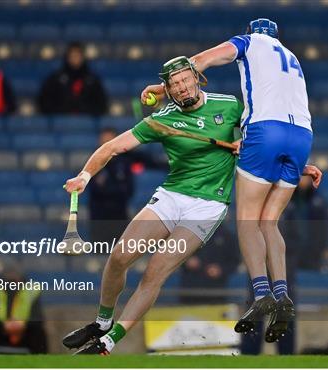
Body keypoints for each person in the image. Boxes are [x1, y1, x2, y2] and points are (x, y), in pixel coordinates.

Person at [141, 18, 321, 342]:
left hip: (265, 131)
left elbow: (198, 62)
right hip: (301, 137)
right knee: (270, 223)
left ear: (253, 33)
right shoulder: (292, 57)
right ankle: (283, 296)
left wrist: (163, 87)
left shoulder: (249, 42)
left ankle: (261, 293)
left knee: (247, 221)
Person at [61, 56, 244, 355]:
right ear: (168, 90)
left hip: (208, 205)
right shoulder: (161, 120)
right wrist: (85, 175)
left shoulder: (230, 105)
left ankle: (109, 341)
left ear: (197, 79)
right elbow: (112, 147)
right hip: (172, 195)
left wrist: (248, 145)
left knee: (155, 271)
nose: (183, 88)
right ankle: (102, 323)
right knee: (119, 256)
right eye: (175, 85)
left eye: (186, 80)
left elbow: (263, 135)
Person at [241, 174, 328, 355]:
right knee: (257, 308)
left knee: (283, 310)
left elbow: (297, 237)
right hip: (263, 265)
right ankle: (249, 353)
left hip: (283, 265)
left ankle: (285, 353)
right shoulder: (273, 201)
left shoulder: (291, 203)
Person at [0, 268, 47, 354]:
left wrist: (22, 324)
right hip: (0, 331)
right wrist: (5, 325)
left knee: (38, 332)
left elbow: (38, 317)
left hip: (25, 332)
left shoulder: (32, 290)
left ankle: (40, 362)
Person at [89, 128, 135, 245]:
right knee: (100, 248)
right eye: (104, 142)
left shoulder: (124, 162)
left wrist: (109, 189)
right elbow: (94, 189)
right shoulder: (93, 163)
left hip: (119, 212)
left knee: (120, 248)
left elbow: (129, 189)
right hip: (99, 214)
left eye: (110, 141)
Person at [37, 42, 108, 115]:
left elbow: (101, 105)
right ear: (67, 57)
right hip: (61, 121)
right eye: (72, 56)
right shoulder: (55, 79)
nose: (75, 59)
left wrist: (84, 108)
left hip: (86, 121)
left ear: (83, 57)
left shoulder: (93, 80)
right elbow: (44, 102)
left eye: (78, 56)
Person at [179, 223, 240, 305]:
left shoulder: (227, 235)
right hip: (190, 290)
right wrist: (186, 260)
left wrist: (220, 270)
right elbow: (176, 254)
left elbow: (234, 262)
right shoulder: (189, 233)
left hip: (216, 291)